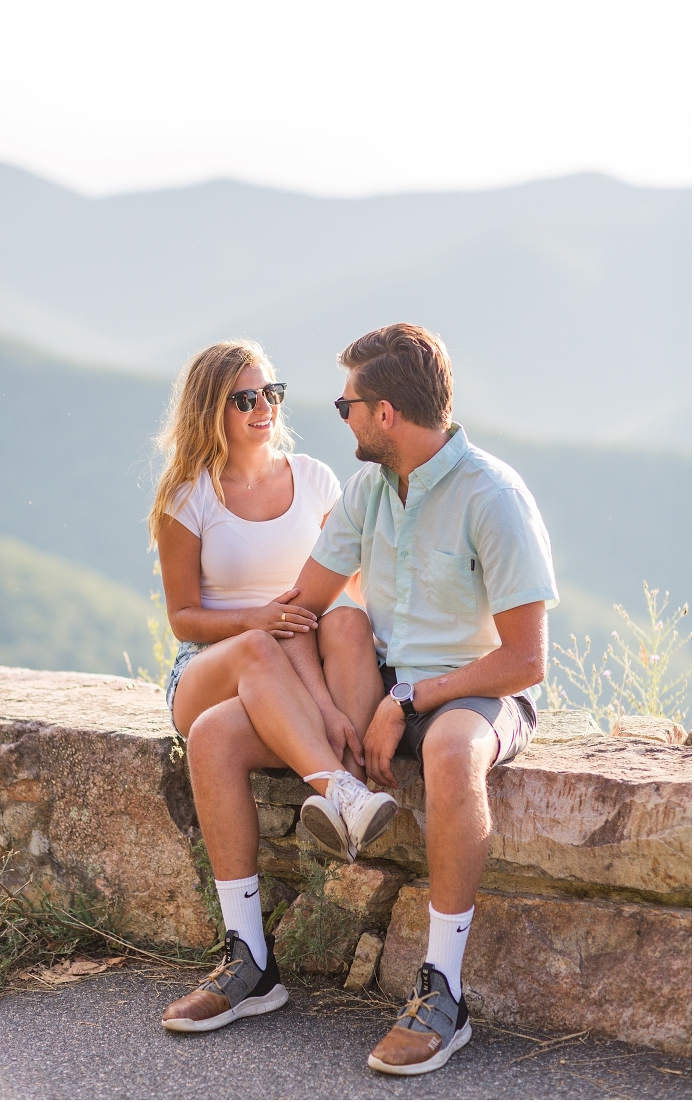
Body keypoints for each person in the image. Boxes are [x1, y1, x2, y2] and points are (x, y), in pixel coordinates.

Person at [180, 323, 558, 1074]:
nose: (340, 414)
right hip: (378, 687)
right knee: (219, 731)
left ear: (385, 414)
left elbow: (524, 660)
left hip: (472, 692)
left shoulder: (494, 496)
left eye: (347, 402)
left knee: (451, 750)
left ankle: (441, 992)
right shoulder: (367, 490)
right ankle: (250, 958)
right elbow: (307, 603)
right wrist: (321, 697)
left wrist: (413, 698)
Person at [148, 339, 397, 1034]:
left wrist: (323, 697)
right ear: (212, 410)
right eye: (246, 398)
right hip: (210, 665)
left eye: (271, 393)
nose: (264, 408)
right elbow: (182, 617)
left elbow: (341, 591)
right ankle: (342, 793)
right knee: (254, 648)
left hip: (293, 671)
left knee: (217, 737)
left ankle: (249, 960)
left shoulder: (315, 480)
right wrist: (258, 616)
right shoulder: (189, 496)